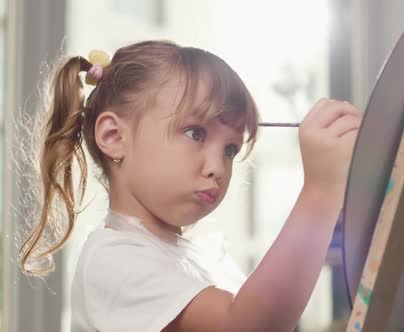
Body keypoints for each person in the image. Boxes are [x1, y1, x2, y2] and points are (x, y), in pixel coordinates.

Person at [19, 40, 361, 332]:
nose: (217, 168)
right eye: (195, 133)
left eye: (230, 150)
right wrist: (320, 191)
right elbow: (249, 325)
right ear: (113, 136)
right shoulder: (113, 260)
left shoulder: (190, 255)